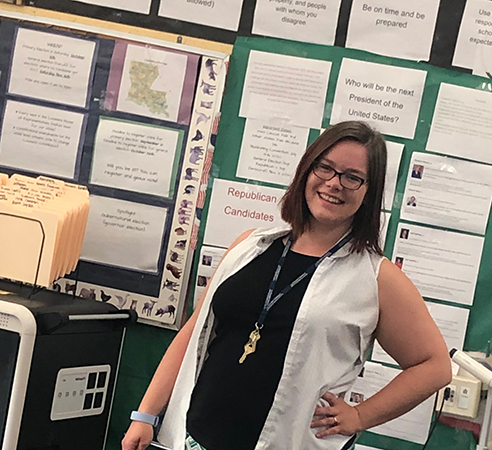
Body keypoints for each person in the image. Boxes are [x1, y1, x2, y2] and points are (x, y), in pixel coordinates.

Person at [122, 121, 452, 450]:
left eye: (352, 177)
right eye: (325, 168)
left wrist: (361, 416)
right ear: (306, 170)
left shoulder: (376, 278)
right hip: (195, 439)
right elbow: (193, 334)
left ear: (369, 191)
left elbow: (434, 366)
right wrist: (146, 414)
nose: (334, 184)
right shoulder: (249, 247)